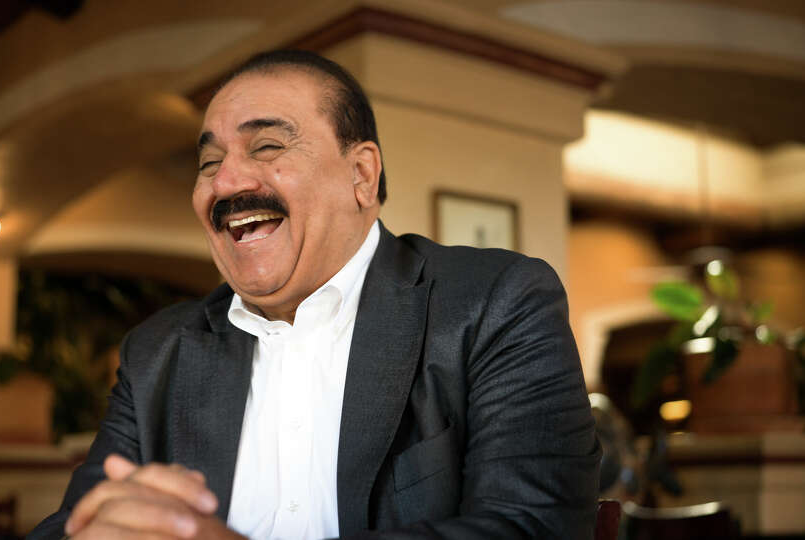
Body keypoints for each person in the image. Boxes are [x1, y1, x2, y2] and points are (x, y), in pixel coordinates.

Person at [29, 50, 599, 540]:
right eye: (209, 162)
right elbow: (72, 525)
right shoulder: (156, 353)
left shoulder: (496, 303)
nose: (225, 183)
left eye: (268, 146)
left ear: (362, 174)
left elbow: (534, 526)